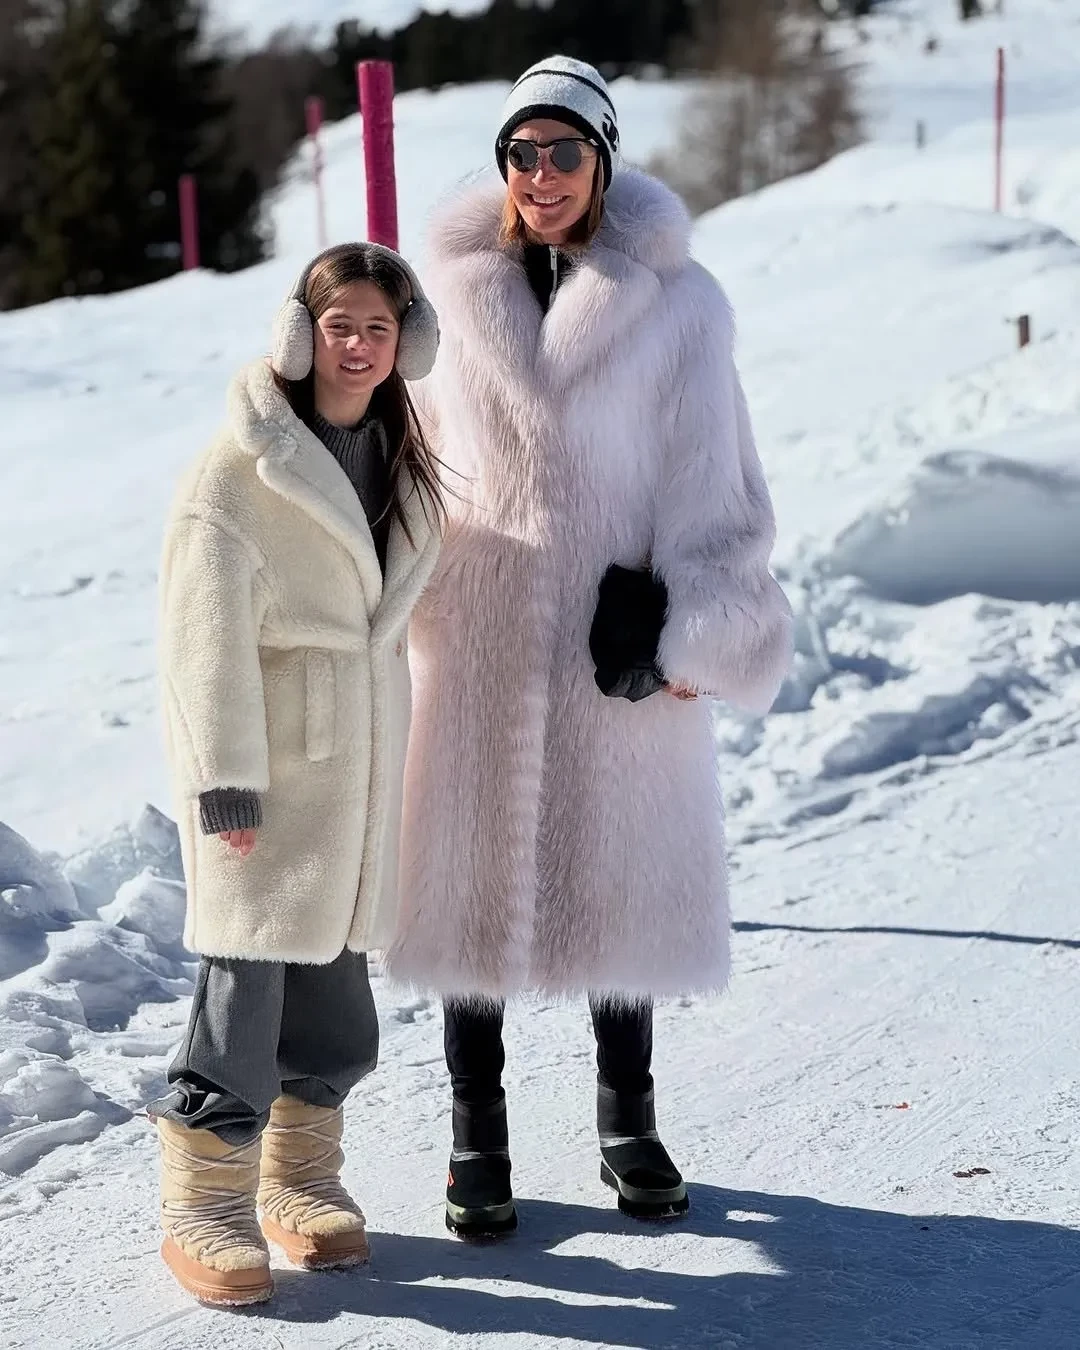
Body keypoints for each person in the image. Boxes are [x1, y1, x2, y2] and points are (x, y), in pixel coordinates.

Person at [387, 56, 793, 1239]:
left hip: (617, 636)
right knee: (468, 885)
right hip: (474, 631)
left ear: (603, 161)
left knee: (620, 876)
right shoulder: (447, 299)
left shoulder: (680, 306)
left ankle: (630, 1121)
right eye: (522, 153)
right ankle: (477, 1136)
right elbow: (411, 464)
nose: (543, 174)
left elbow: (718, 481)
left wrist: (692, 629)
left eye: (566, 152)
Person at [150, 243, 443, 1305]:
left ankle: (300, 1181)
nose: (358, 345)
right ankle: (204, 1199)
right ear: (298, 334)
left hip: (356, 773)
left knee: (334, 990)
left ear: (407, 342)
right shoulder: (241, 466)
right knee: (245, 985)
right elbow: (201, 639)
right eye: (338, 325)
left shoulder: (401, 455)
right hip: (268, 771)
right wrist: (224, 778)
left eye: (378, 327)